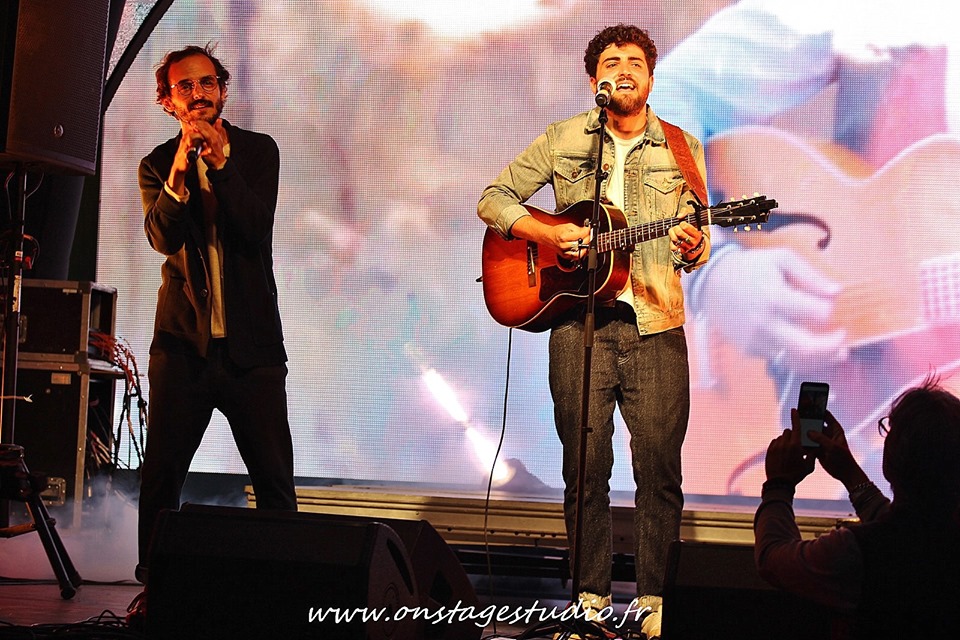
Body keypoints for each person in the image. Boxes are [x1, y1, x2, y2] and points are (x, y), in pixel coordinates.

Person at [478, 24, 711, 638]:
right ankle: (589, 605)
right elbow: (494, 199)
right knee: (584, 471)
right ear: (594, 80)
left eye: (636, 61)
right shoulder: (564, 139)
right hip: (578, 323)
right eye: (612, 62)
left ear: (652, 77)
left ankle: (654, 606)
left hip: (655, 326)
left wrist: (695, 244)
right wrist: (549, 233)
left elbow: (698, 237)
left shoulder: (682, 147)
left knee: (658, 473)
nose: (624, 70)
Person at [134, 44, 298, 584]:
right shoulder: (156, 165)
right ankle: (153, 590)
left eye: (207, 83)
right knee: (162, 479)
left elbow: (254, 227)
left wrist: (220, 164)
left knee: (274, 482)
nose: (198, 93)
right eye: (185, 86)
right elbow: (162, 238)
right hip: (183, 348)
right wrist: (182, 169)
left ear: (223, 91)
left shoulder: (258, 151)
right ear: (168, 101)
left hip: (253, 348)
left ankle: (287, 593)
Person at [755, 380, 960, 639]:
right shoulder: (941, 536)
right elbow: (907, 531)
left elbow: (772, 559)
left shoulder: (853, 552)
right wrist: (851, 474)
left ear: (890, 459)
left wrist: (778, 485)